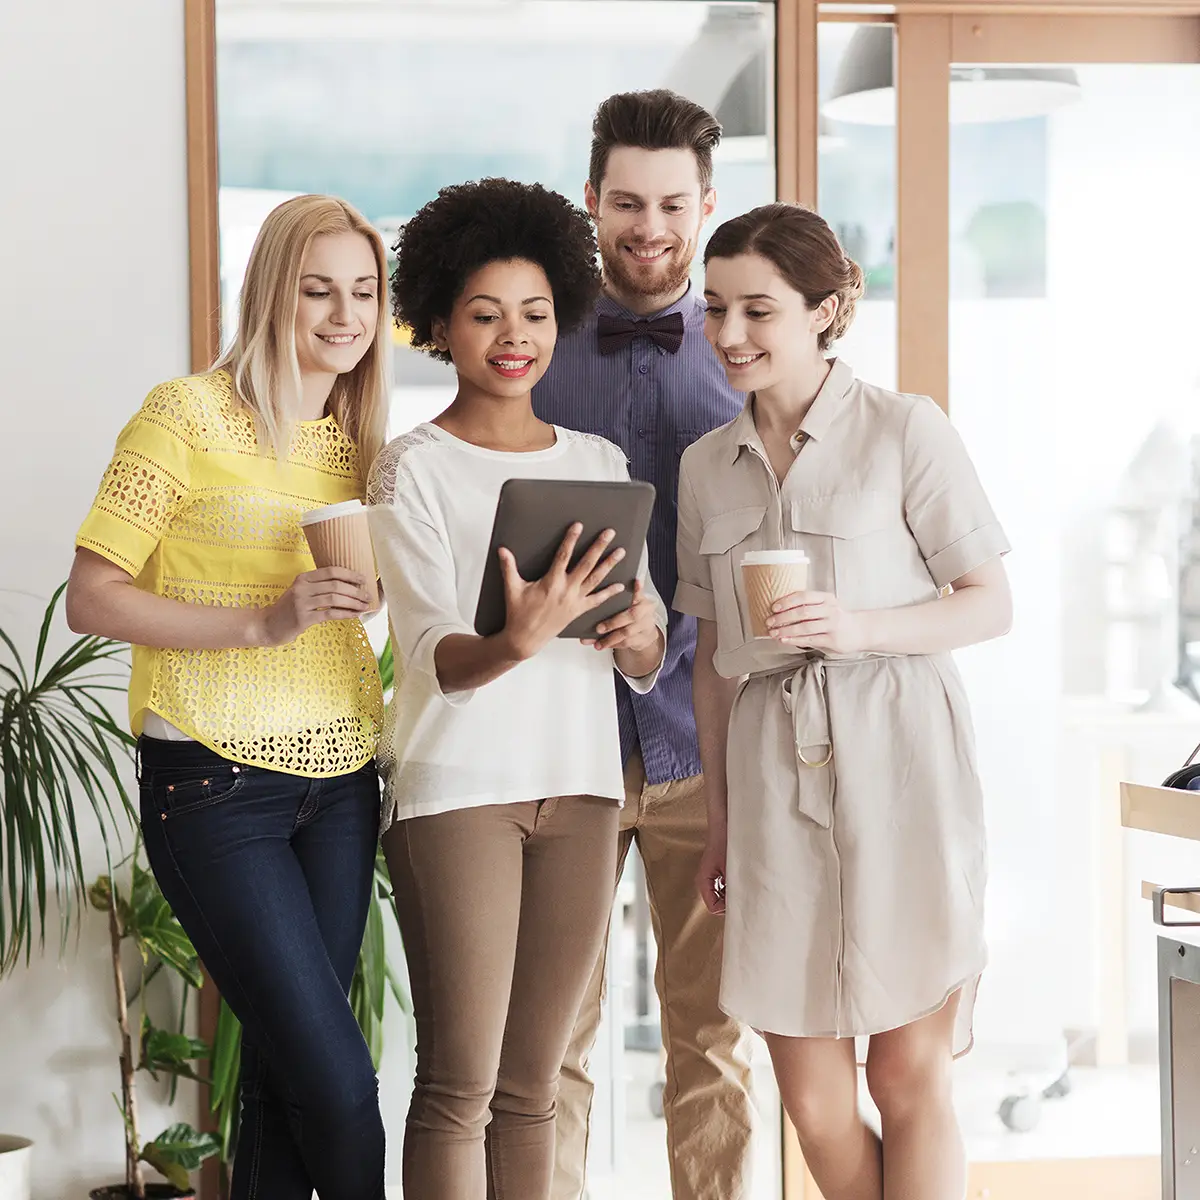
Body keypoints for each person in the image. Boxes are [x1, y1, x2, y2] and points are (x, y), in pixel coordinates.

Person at [678, 201, 1013, 1200]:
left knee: (909, 1075)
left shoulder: (906, 430)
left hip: (902, 757)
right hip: (770, 774)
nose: (731, 335)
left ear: (827, 310)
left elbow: (990, 605)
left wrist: (860, 626)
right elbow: (708, 657)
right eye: (717, 310)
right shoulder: (705, 465)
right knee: (816, 1106)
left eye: (759, 311)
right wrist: (720, 825)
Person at [66, 195, 390, 1200]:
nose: (344, 314)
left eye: (365, 293)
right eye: (318, 289)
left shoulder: (361, 443)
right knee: (341, 1092)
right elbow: (92, 594)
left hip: (340, 789)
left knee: (291, 1087)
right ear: (270, 293)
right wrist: (262, 622)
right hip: (213, 784)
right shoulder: (186, 415)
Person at [367, 177, 667, 1200]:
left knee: (533, 1088)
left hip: (582, 792)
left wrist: (635, 636)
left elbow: (644, 639)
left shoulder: (597, 460)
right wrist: (516, 638)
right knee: (460, 1083)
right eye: (486, 314)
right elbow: (433, 653)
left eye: (534, 314)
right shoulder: (410, 470)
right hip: (457, 796)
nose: (514, 336)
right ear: (441, 324)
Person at [532, 88, 755, 1200]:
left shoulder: (750, 352)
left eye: (672, 203)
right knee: (551, 1050)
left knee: (711, 1044)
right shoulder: (528, 349)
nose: (650, 226)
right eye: (627, 201)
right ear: (592, 202)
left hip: (707, 746)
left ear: (707, 204)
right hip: (560, 742)